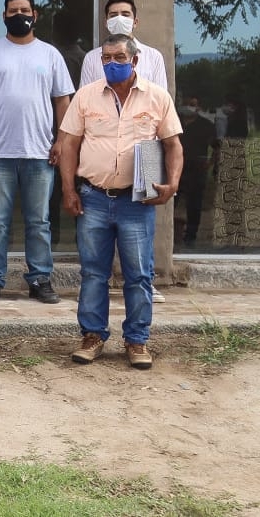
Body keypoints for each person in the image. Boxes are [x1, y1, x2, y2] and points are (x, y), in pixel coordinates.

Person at [59, 34, 183, 370]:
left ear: (135, 60)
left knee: (139, 275)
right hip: (94, 198)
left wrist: (172, 184)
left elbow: (172, 145)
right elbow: (69, 145)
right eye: (107, 58)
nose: (112, 63)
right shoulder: (86, 96)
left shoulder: (157, 97)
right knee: (93, 273)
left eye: (119, 58)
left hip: (136, 202)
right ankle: (92, 336)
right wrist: (69, 189)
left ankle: (137, 339)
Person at [0, 0, 74, 304]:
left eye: (24, 10)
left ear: (35, 15)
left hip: (40, 153)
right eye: (13, 11)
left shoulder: (50, 54)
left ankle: (40, 279)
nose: (19, 15)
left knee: (39, 222)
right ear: (4, 16)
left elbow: (63, 101)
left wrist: (61, 140)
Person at [79, 0, 170, 302]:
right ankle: (98, 288)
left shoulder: (152, 56)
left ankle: (147, 280)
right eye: (113, 13)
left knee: (142, 224)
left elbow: (161, 102)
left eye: (125, 13)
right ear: (106, 21)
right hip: (104, 139)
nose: (120, 18)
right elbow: (85, 99)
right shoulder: (93, 58)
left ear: (135, 20)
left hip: (145, 145)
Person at [79, 0, 167, 89]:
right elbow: (84, 96)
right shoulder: (91, 58)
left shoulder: (154, 57)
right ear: (106, 23)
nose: (119, 19)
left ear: (135, 22)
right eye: (113, 15)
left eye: (125, 15)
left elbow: (161, 96)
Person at [177, 97, 219, 247]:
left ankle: (190, 237)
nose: (188, 107)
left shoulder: (206, 125)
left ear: (199, 107)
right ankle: (170, 235)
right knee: (169, 203)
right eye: (186, 104)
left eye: (192, 104)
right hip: (175, 168)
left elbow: (217, 147)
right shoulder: (174, 121)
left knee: (194, 205)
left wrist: (210, 163)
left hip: (197, 169)